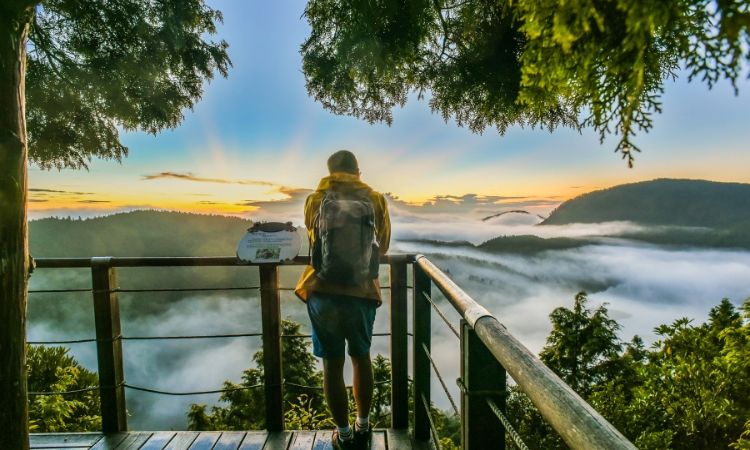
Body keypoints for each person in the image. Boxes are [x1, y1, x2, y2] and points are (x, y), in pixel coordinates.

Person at [295, 150, 391, 449]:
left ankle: (344, 434)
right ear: (358, 171)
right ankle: (363, 427)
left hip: (323, 290)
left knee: (332, 366)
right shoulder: (375, 199)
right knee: (361, 359)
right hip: (361, 291)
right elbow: (383, 246)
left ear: (329, 171)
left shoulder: (315, 200)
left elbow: (314, 241)